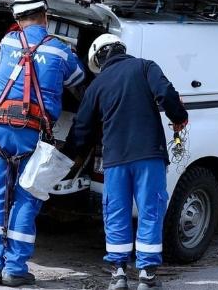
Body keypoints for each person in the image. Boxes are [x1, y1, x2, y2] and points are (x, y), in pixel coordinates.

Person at [0, 0, 85, 287]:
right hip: (32, 132)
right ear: (45, 16)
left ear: (17, 19)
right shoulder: (60, 50)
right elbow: (79, 85)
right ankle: (15, 269)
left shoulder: (8, 42)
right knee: (27, 195)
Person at [68, 34, 187, 289]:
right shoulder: (145, 67)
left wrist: (69, 158)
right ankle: (147, 276)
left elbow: (82, 127)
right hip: (149, 155)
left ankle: (118, 274)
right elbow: (166, 94)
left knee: (116, 212)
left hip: (115, 160)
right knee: (150, 211)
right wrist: (179, 115)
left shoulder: (97, 85)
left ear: (100, 58)